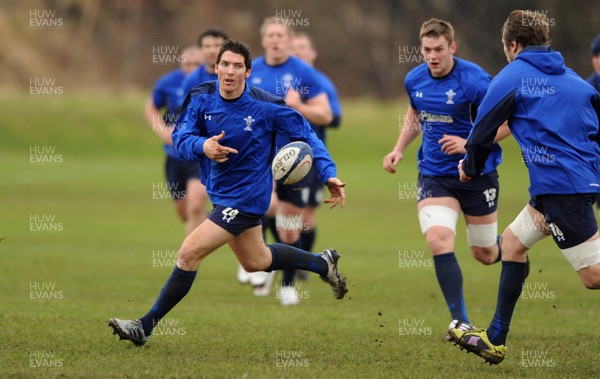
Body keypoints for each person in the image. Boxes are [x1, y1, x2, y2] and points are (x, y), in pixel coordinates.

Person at [108, 40, 348, 346]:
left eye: (238, 66)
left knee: (188, 253)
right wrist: (203, 146)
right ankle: (321, 263)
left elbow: (307, 135)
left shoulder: (267, 106)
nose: (230, 71)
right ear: (217, 67)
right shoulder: (201, 97)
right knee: (256, 261)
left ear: (248, 71)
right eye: (225, 65)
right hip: (221, 194)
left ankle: (144, 326)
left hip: (248, 198)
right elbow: (179, 140)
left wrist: (329, 174)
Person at [450, 10, 600, 365]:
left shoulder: (511, 76)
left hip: (562, 189)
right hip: (563, 188)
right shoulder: (575, 79)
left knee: (593, 277)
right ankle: (495, 339)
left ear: (512, 45)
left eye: (505, 46)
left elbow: (481, 132)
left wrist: (469, 170)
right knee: (512, 244)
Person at [383, 18, 514, 337]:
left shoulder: (476, 81)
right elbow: (416, 113)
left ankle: (514, 251)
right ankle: (460, 320)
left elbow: (510, 121)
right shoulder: (414, 79)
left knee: (485, 254)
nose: (432, 55)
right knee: (438, 239)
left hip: (476, 175)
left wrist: (470, 143)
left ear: (451, 47)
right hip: (434, 174)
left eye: (439, 49)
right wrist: (398, 148)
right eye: (426, 49)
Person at [245, 17, 334, 305]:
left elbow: (326, 115)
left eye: (280, 35)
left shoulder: (303, 72)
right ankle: (258, 259)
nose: (275, 40)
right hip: (259, 156)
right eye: (270, 35)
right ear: (263, 40)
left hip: (295, 160)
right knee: (260, 208)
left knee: (290, 226)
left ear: (288, 40)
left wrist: (299, 107)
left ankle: (287, 284)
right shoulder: (251, 71)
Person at [291, 32, 343, 281]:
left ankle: (302, 262)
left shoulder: (320, 83)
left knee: (305, 216)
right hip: (280, 157)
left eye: (303, 48)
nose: (299, 52)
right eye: (295, 48)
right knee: (282, 214)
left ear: (312, 53)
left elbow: (334, 118)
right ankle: (289, 262)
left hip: (311, 158)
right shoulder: (282, 80)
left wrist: (300, 107)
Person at [144, 46, 205, 235]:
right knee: (185, 213)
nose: (193, 68)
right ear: (181, 64)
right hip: (174, 157)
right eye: (188, 64)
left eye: (197, 64)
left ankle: (191, 260)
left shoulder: (211, 83)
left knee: (195, 206)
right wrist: (162, 131)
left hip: (198, 156)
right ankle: (214, 226)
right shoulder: (169, 82)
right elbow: (151, 107)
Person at [180, 28, 229, 105]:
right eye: (207, 46)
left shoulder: (238, 76)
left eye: (217, 45)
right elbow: (185, 112)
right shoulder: (192, 80)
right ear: (200, 50)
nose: (212, 50)